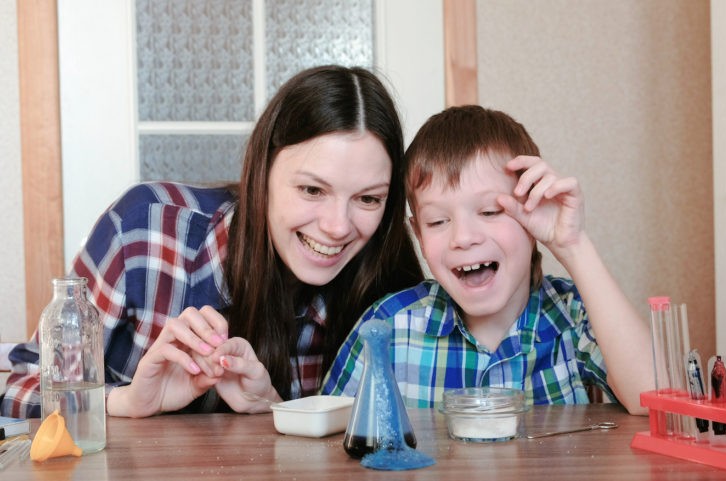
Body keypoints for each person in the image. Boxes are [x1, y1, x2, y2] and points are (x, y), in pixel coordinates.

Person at [1, 65, 423, 419]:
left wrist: (275, 411)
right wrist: (124, 401)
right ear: (262, 174)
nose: (336, 226)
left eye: (368, 198)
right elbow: (19, 396)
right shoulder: (146, 229)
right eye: (312, 190)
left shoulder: (388, 284)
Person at [321, 105, 655, 415]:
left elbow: (657, 401)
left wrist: (573, 245)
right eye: (438, 221)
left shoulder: (574, 315)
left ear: (533, 213)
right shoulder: (388, 327)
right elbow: (327, 444)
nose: (463, 237)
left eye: (490, 211)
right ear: (419, 235)